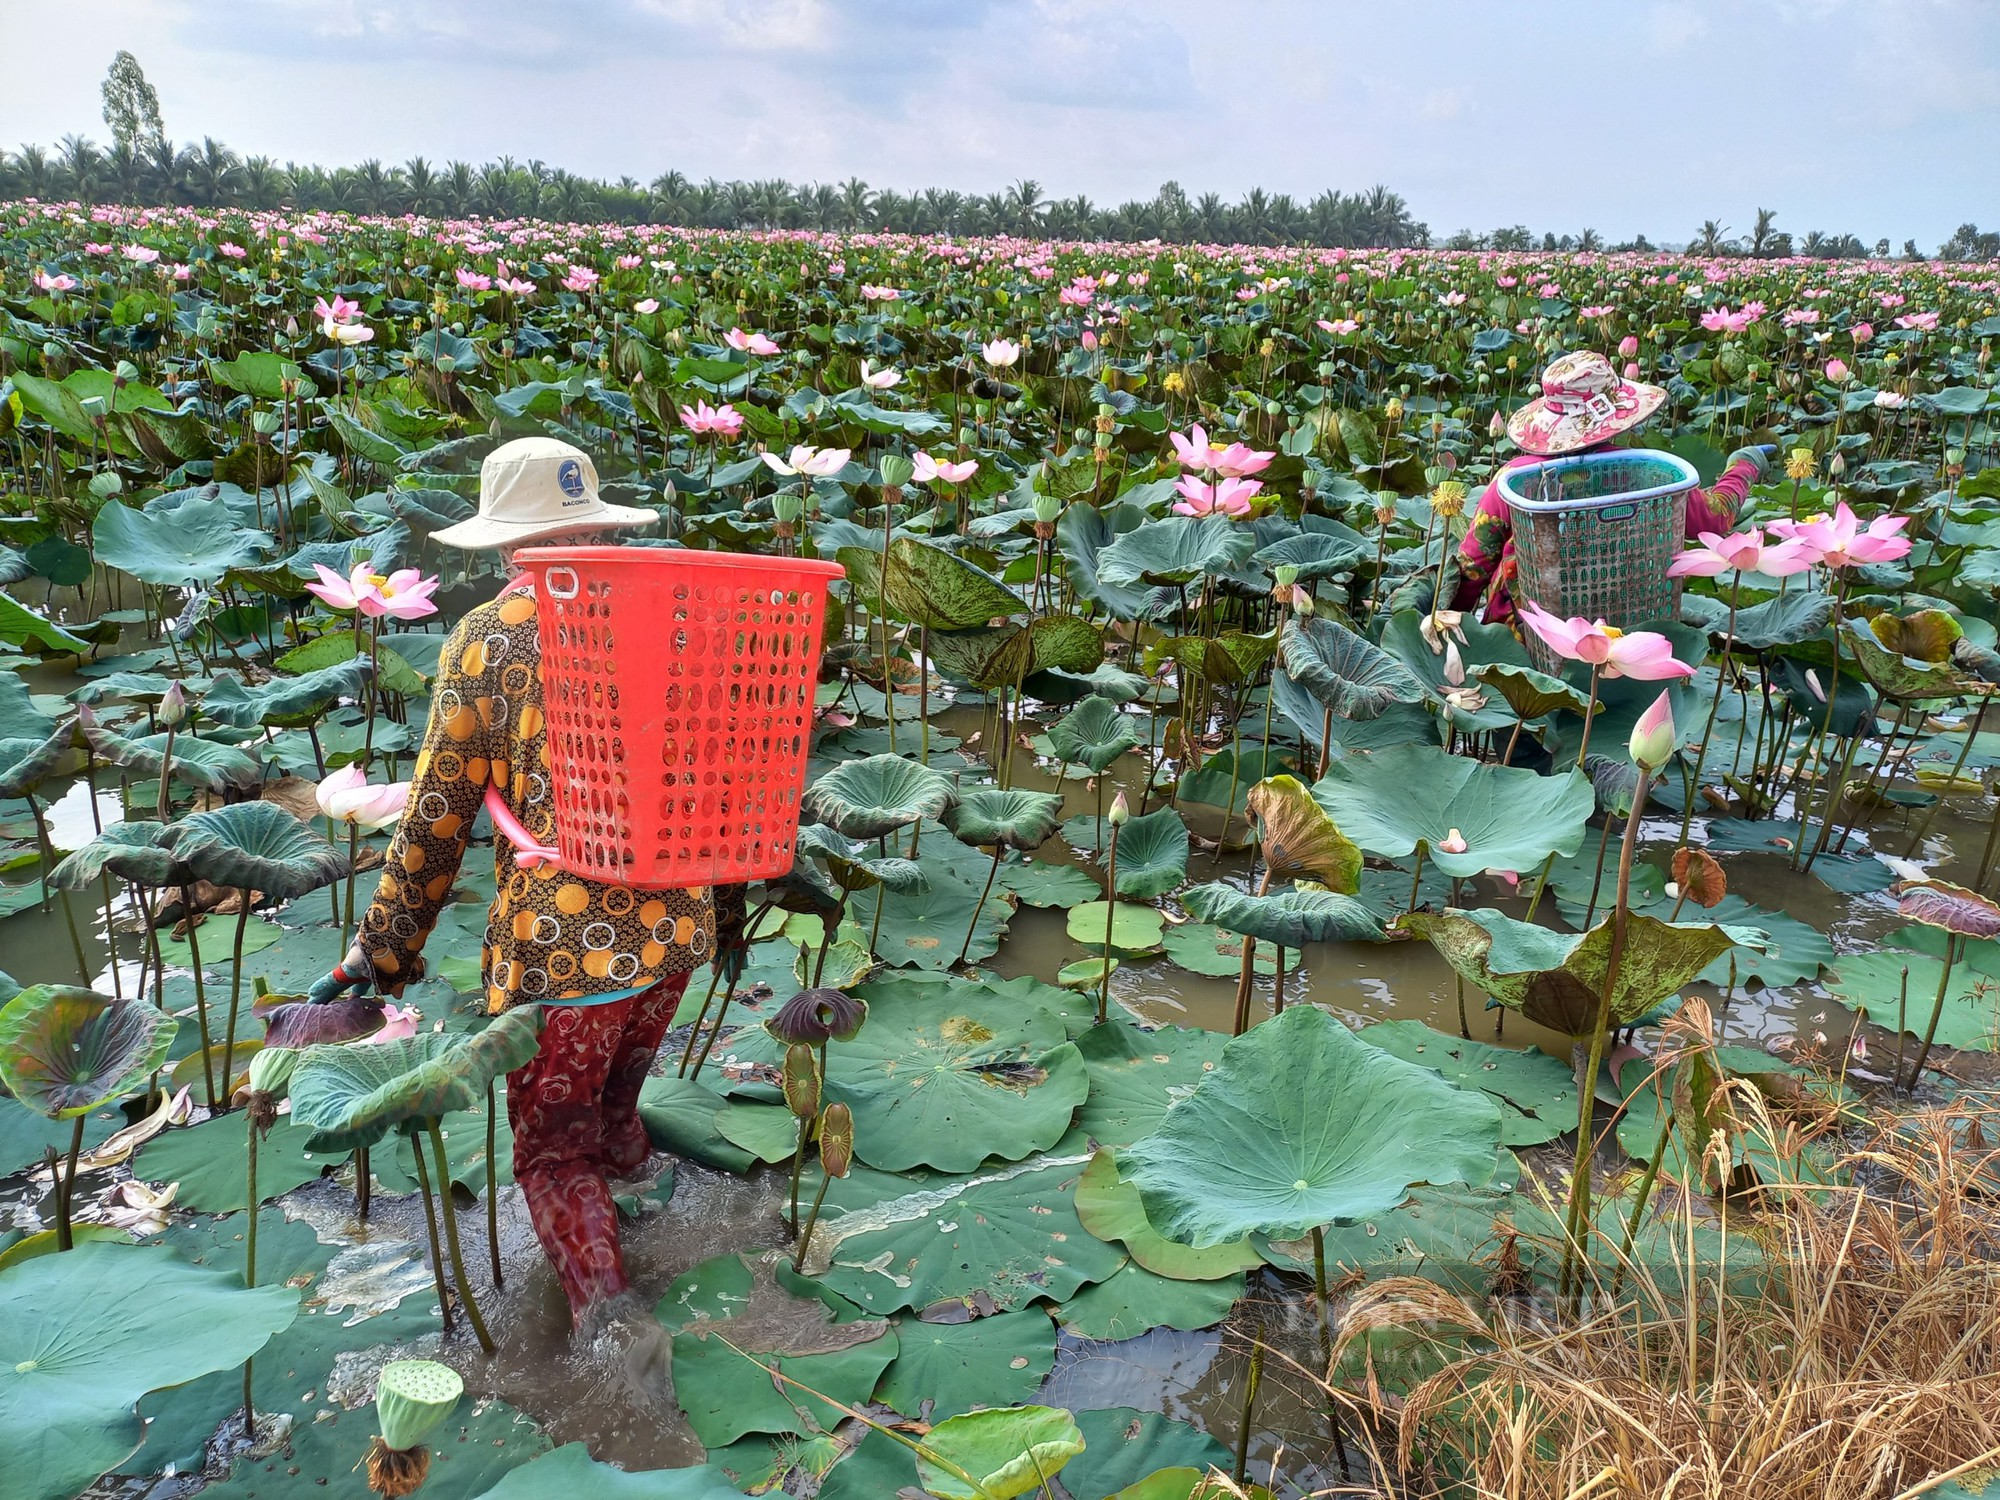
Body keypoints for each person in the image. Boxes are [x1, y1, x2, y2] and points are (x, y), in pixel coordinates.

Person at [309, 436, 743, 1360]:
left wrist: (381, 949)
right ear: (594, 524)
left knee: (553, 1153)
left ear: (508, 543)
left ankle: (611, 1320)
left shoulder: (487, 638)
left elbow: (438, 814)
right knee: (615, 1112)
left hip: (566, 948)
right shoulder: (671, 617)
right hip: (677, 923)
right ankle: (658, 1213)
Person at [1450, 351, 1772, 624]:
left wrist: (1449, 635)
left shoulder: (1516, 480)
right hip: (1627, 624)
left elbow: (1472, 571)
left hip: (1523, 633)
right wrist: (1744, 463)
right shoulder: (1649, 475)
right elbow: (1718, 516)